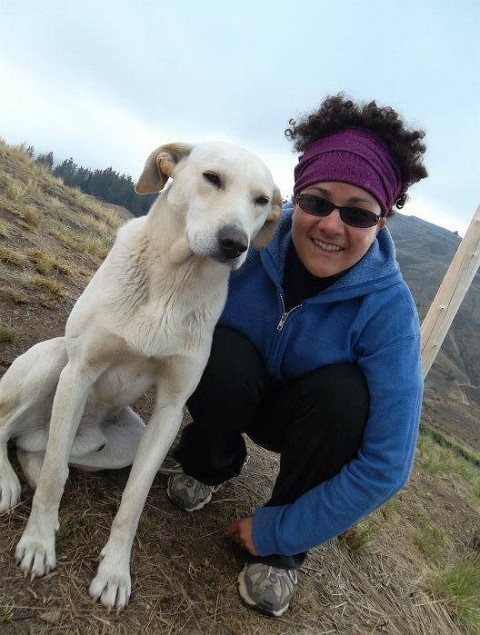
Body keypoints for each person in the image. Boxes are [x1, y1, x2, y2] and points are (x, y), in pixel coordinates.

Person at [164, 94, 428, 617]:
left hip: (309, 422)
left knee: (346, 397)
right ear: (295, 198)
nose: (331, 225)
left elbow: (388, 464)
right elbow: (163, 303)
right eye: (317, 202)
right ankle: (207, 462)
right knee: (221, 348)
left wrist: (280, 530)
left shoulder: (391, 312)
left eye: (358, 213)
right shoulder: (242, 238)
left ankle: (282, 554)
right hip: (235, 387)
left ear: (382, 223)